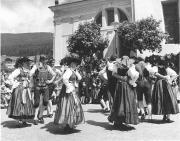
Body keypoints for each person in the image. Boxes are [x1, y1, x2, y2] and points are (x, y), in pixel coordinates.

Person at [54, 57, 85, 132]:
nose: (75, 65)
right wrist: (69, 86)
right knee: (68, 105)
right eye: (73, 63)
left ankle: (70, 123)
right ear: (70, 63)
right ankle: (67, 124)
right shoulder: (68, 70)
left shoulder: (73, 70)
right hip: (68, 91)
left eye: (75, 64)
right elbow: (64, 78)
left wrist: (76, 72)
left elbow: (80, 78)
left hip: (73, 89)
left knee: (74, 105)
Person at [108, 56, 139, 130]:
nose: (126, 61)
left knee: (127, 102)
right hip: (120, 85)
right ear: (121, 60)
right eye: (124, 60)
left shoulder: (130, 66)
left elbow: (134, 75)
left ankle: (124, 121)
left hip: (127, 85)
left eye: (127, 60)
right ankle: (118, 121)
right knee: (120, 102)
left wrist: (130, 79)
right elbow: (113, 74)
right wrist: (122, 78)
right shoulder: (117, 65)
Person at [6, 57, 35, 126]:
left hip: (26, 89)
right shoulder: (18, 70)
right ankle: (19, 120)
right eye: (26, 62)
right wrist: (15, 83)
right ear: (22, 63)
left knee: (26, 104)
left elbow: (31, 75)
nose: (28, 63)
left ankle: (23, 120)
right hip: (20, 89)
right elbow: (10, 77)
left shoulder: (28, 70)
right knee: (20, 103)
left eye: (28, 62)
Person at [151, 57, 179, 122]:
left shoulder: (157, 68)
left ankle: (165, 116)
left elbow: (156, 74)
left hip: (160, 85)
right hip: (165, 85)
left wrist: (169, 80)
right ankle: (167, 116)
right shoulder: (167, 69)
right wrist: (169, 79)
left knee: (163, 100)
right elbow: (175, 74)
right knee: (167, 100)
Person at [30, 56, 56, 125]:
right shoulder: (36, 66)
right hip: (37, 86)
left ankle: (40, 115)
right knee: (37, 102)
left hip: (45, 86)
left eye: (45, 60)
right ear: (40, 60)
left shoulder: (48, 67)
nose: (45, 61)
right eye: (43, 60)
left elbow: (54, 74)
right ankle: (35, 117)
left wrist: (50, 81)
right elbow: (30, 73)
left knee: (46, 101)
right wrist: (35, 69)